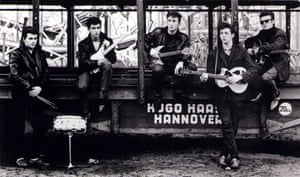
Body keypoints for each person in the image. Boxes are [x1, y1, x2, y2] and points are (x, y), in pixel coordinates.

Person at [200, 23, 258, 169]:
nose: (223, 36)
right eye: (221, 34)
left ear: (232, 35)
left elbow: (253, 70)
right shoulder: (213, 54)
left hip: (238, 93)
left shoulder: (241, 52)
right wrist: (205, 78)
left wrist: (239, 78)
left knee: (233, 125)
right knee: (226, 124)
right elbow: (210, 75)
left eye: (226, 33)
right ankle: (235, 157)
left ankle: (224, 154)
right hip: (221, 95)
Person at [9, 26, 50, 167]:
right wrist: (29, 87)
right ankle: (19, 157)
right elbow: (14, 74)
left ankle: (35, 156)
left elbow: (45, 72)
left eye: (35, 38)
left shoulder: (40, 54)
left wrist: (39, 87)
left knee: (40, 125)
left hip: (37, 94)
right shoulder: (16, 54)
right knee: (19, 126)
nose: (33, 41)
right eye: (30, 38)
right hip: (22, 94)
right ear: (24, 39)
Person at [245, 11, 290, 137]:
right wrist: (249, 48)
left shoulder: (280, 34)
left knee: (264, 78)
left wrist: (260, 49)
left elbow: (276, 46)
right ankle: (263, 128)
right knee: (253, 76)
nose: (264, 24)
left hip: (279, 66)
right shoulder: (262, 33)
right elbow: (250, 40)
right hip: (267, 65)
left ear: (273, 21)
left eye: (267, 21)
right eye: (262, 22)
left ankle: (275, 93)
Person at [145, 11, 196, 107]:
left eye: (174, 21)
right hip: (160, 63)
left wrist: (182, 61)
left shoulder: (183, 38)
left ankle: (180, 92)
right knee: (157, 69)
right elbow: (142, 41)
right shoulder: (158, 32)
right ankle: (158, 94)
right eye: (169, 20)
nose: (171, 24)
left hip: (175, 65)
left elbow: (187, 53)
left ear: (179, 23)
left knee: (192, 68)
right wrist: (150, 50)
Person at [77, 17, 116, 117]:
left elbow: (113, 60)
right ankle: (85, 111)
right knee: (82, 87)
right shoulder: (83, 44)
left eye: (98, 28)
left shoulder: (107, 41)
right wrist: (95, 63)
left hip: (103, 73)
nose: (96, 31)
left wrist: (109, 48)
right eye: (93, 28)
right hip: (87, 70)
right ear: (88, 29)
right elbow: (82, 62)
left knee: (107, 64)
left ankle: (102, 97)